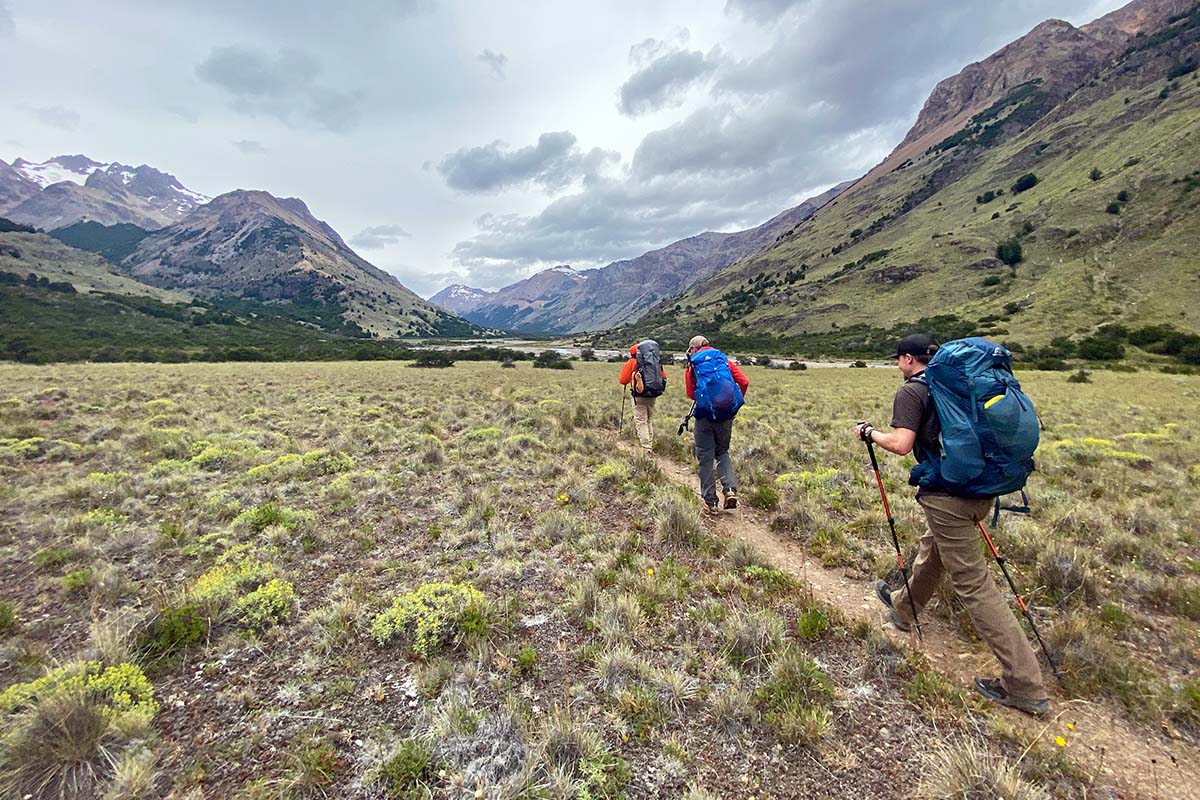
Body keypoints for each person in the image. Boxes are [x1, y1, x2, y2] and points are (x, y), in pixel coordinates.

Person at [852, 333, 1049, 716]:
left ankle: (1024, 683)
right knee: (935, 548)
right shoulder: (961, 382)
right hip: (983, 486)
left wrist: (869, 433)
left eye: (899, 359)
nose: (899, 365)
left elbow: (902, 444)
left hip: (948, 493)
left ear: (908, 359)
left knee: (973, 584)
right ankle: (903, 608)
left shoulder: (913, 391)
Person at [685, 335, 749, 515]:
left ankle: (711, 503)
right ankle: (729, 490)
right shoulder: (723, 360)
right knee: (722, 452)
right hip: (726, 415)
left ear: (693, 349)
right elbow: (744, 381)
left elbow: (691, 394)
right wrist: (734, 403)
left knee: (705, 457)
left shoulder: (693, 365)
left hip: (704, 417)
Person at [618, 341, 667, 452]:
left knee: (641, 421)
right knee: (648, 420)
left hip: (638, 395)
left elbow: (623, 380)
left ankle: (646, 448)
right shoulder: (654, 362)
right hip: (653, 393)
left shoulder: (632, 362)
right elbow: (663, 376)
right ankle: (650, 443)